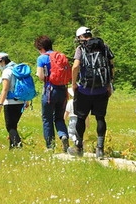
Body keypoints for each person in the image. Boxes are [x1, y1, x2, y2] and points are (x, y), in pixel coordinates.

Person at [69, 25, 115, 158]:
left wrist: (73, 84)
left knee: (81, 118)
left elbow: (76, 66)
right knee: (100, 118)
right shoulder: (104, 46)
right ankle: (100, 149)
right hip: (101, 89)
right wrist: (109, 84)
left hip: (84, 89)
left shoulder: (81, 48)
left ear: (80, 37)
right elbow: (111, 65)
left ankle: (79, 148)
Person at [34, 35, 69, 152]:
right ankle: (63, 135)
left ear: (41, 48)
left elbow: (40, 76)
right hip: (63, 91)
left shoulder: (42, 58)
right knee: (59, 118)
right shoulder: (60, 56)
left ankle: (50, 146)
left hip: (49, 91)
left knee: (47, 119)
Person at [0, 52, 29, 149]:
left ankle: (18, 146)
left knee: (10, 127)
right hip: (21, 101)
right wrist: (27, 100)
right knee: (14, 126)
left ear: (3, 61)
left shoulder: (7, 71)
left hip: (10, 102)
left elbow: (5, 89)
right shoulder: (18, 68)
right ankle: (12, 147)